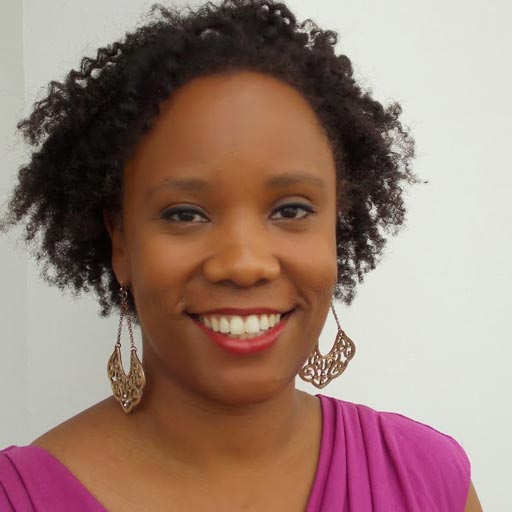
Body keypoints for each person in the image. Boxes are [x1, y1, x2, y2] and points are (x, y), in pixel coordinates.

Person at [0, 0, 483, 510]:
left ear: (336, 229)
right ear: (120, 242)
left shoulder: (431, 480)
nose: (244, 264)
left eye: (291, 209)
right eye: (185, 214)